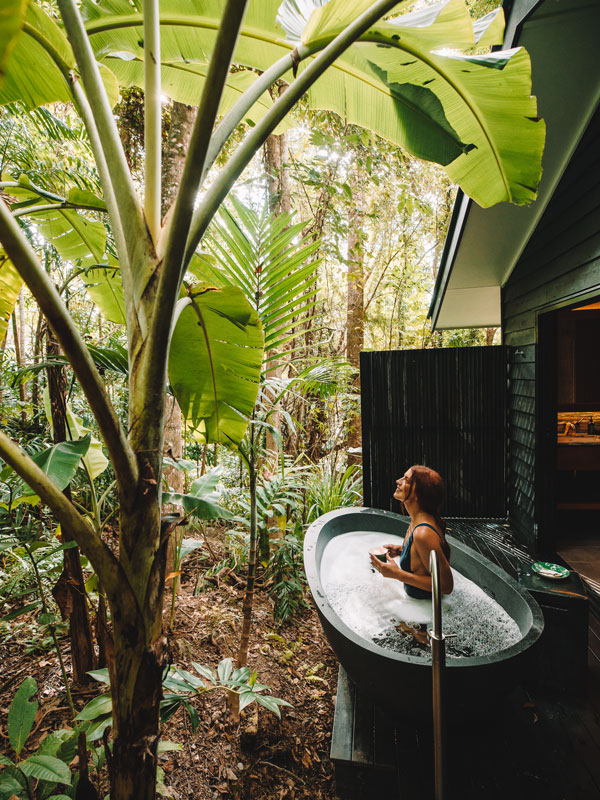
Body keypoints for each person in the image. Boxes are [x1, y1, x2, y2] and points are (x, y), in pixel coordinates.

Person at [369, 465, 453, 597]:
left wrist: (397, 574)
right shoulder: (417, 520)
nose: (398, 481)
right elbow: (423, 558)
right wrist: (401, 551)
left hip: (425, 610)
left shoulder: (423, 533)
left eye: (406, 480)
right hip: (416, 605)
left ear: (419, 493)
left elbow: (446, 586)